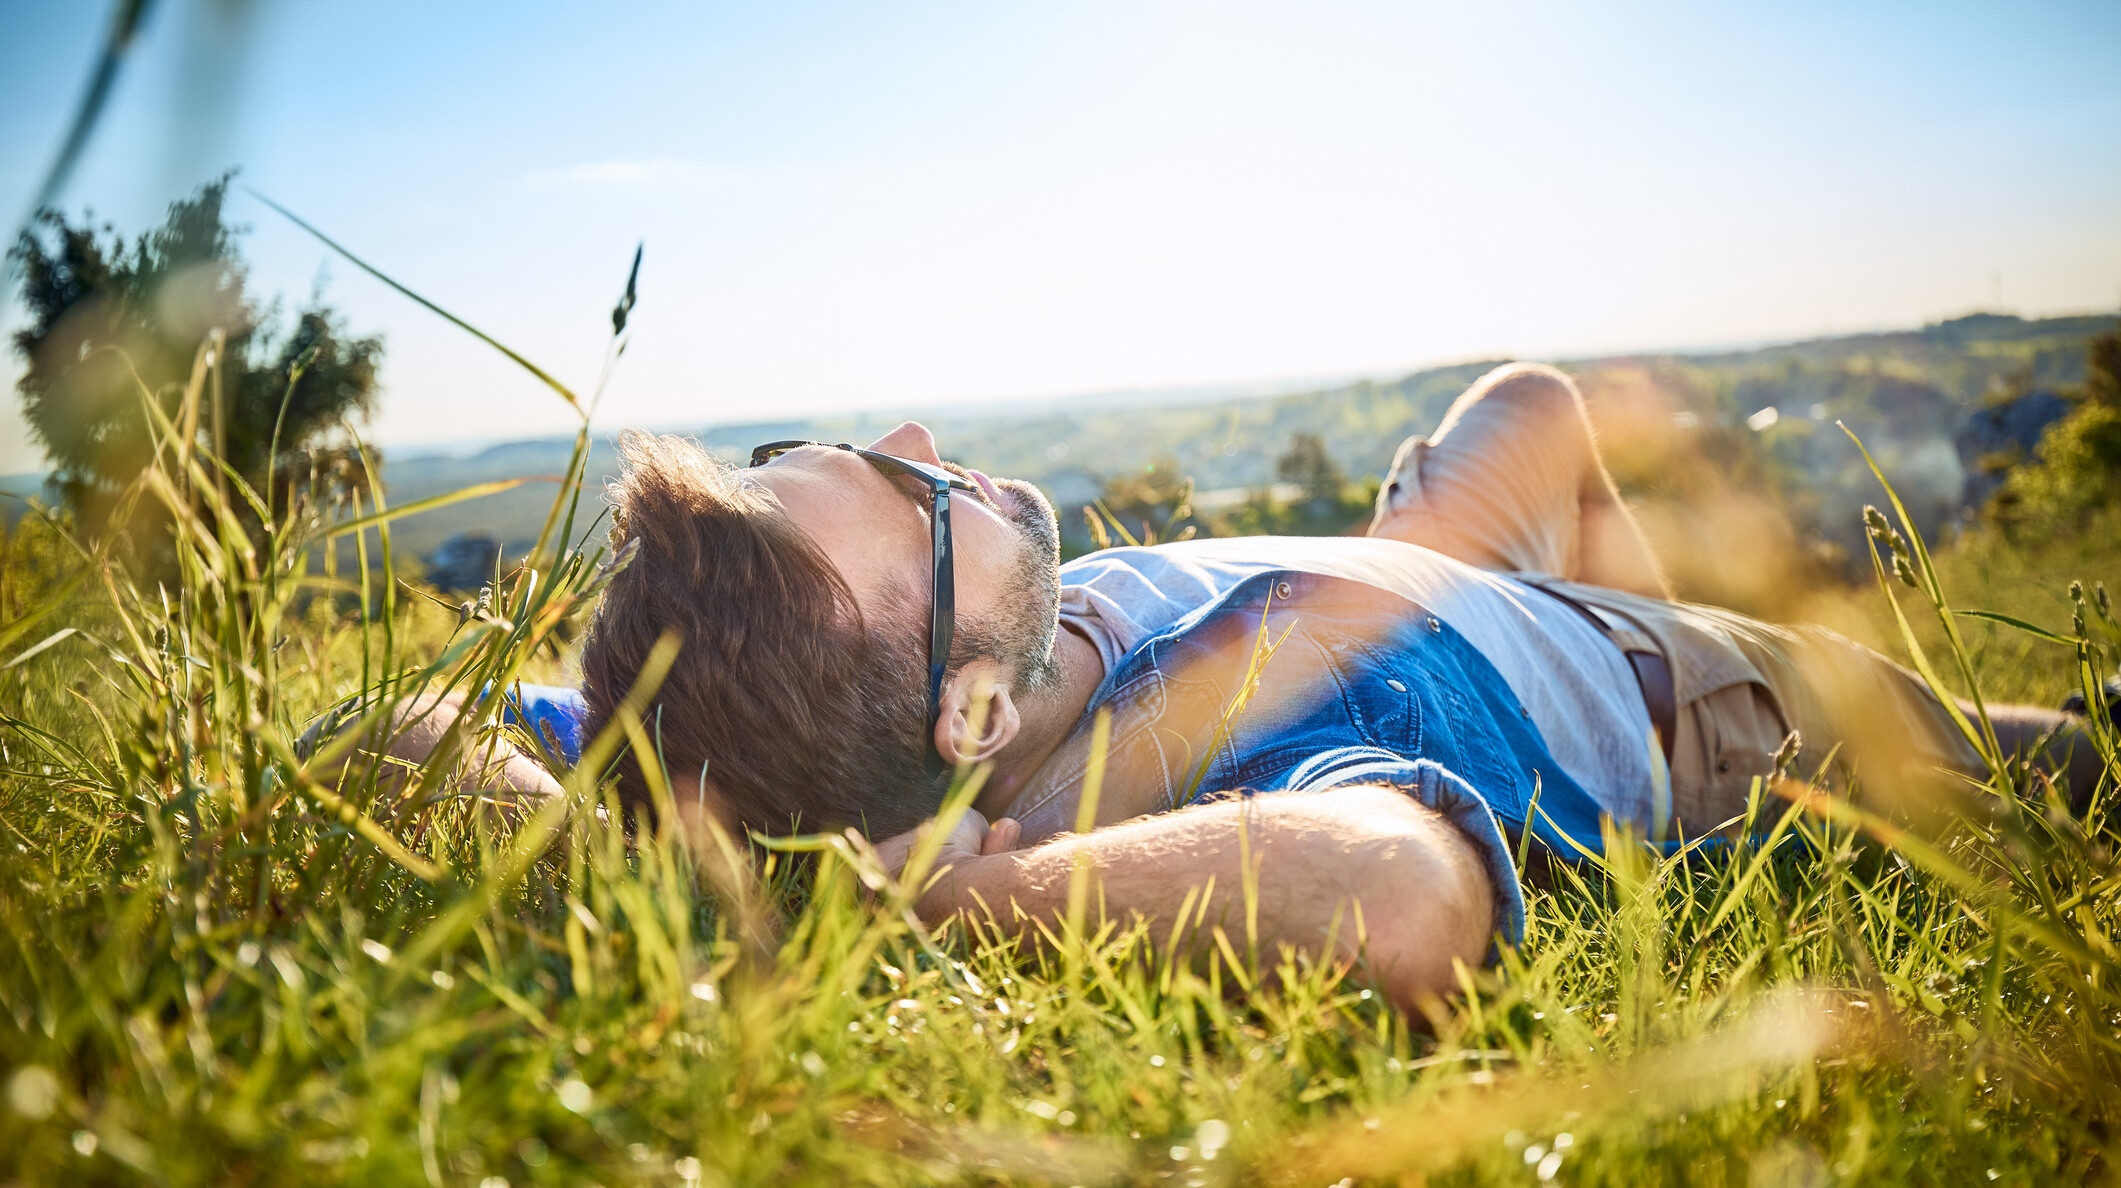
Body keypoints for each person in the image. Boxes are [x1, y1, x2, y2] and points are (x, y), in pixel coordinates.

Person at [360, 363, 2104, 1012]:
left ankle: (1579, 580)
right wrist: (929, 911)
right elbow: (1399, 904)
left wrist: (650, 853)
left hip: (1423, 565)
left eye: (822, 450)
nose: (912, 440)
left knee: (1537, 401)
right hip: (1662, 692)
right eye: (906, 499)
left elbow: (394, 729)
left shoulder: (734, 742)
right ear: (968, 722)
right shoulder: (1213, 781)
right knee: (2055, 763)